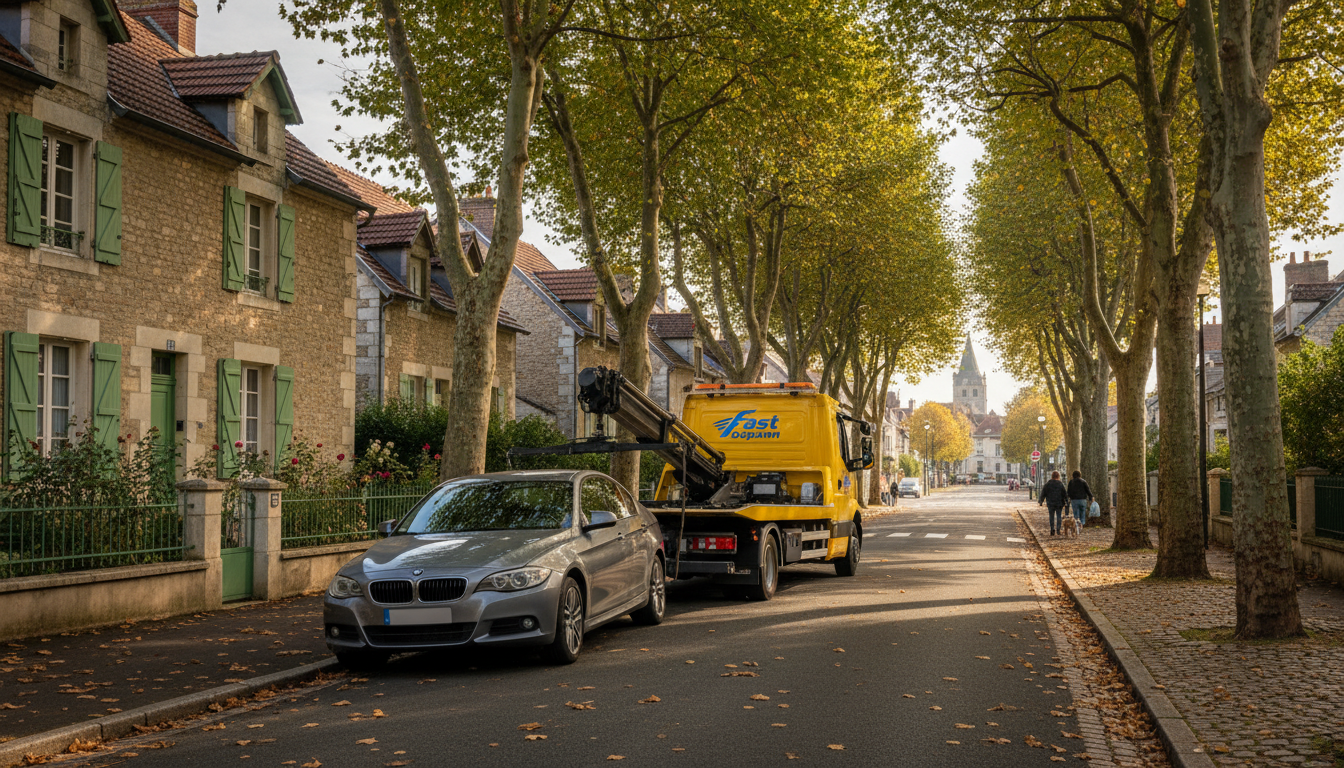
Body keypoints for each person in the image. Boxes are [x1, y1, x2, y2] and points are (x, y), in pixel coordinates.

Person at [1038, 470, 1068, 535]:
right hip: (1059, 503)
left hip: (1050, 502)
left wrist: (1041, 501)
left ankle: (1052, 529)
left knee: (1051, 516)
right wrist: (1066, 502)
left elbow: (1043, 493)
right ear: (1058, 476)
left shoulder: (1048, 484)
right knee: (1059, 516)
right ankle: (1058, 529)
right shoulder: (1060, 484)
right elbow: (1064, 494)